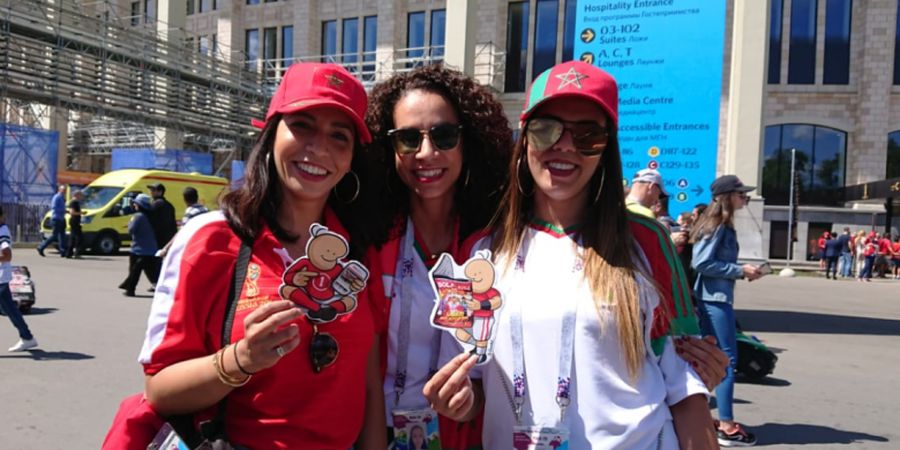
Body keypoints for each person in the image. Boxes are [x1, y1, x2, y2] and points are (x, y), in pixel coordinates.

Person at [424, 61, 718, 449]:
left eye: (588, 136)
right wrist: (461, 403)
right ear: (525, 139)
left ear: (605, 150)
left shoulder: (645, 241)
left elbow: (685, 384)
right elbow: (477, 382)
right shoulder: (482, 251)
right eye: (547, 130)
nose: (564, 146)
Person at [138, 62, 385, 449]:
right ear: (271, 134)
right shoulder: (210, 240)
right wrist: (240, 359)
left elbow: (368, 379)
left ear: (352, 158)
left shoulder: (358, 250)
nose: (319, 148)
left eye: (340, 136)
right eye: (302, 125)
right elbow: (159, 390)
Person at [363, 64, 512, 449]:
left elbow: (501, 369)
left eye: (444, 136)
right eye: (408, 139)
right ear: (388, 147)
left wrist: (471, 403)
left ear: (469, 142)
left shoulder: (495, 245)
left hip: (461, 438)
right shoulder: (368, 239)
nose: (426, 153)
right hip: (373, 434)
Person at [691, 174, 763, 446]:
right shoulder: (718, 223)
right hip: (715, 299)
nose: (745, 197)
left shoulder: (719, 223)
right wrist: (740, 270)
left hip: (713, 297)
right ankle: (727, 426)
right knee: (725, 362)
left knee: (710, 359)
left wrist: (740, 271)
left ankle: (703, 419)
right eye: (741, 193)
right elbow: (701, 263)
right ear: (727, 197)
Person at [1, 206, 39, 352]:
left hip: (1, 278)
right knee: (11, 310)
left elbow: (7, 255)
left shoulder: (2, 232)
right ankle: (27, 338)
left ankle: (27, 337)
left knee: (11, 310)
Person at [118, 194, 158, 297]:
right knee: (150, 271)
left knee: (134, 271)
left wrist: (130, 223)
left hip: (138, 249)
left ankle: (130, 289)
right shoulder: (151, 216)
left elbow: (131, 230)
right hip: (151, 249)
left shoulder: (138, 216)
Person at [146, 183, 178, 288]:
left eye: (154, 190)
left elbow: (149, 218)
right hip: (168, 238)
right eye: (151, 190)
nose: (151, 192)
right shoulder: (169, 205)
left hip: (158, 238)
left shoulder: (157, 204)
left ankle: (158, 283)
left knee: (154, 263)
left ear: (160, 192)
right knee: (163, 263)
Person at [37, 184, 67, 257]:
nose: (64, 192)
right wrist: (64, 210)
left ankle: (63, 251)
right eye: (63, 190)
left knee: (62, 235)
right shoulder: (57, 197)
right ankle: (41, 247)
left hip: (61, 218)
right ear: (59, 190)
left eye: (65, 190)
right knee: (54, 236)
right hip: (56, 218)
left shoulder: (62, 198)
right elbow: (54, 207)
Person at [65, 190, 84, 259]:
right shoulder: (74, 202)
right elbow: (72, 212)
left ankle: (69, 253)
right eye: (81, 195)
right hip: (74, 221)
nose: (82, 197)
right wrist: (81, 213)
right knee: (79, 238)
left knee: (72, 238)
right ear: (77, 195)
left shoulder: (74, 202)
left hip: (75, 221)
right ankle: (77, 253)